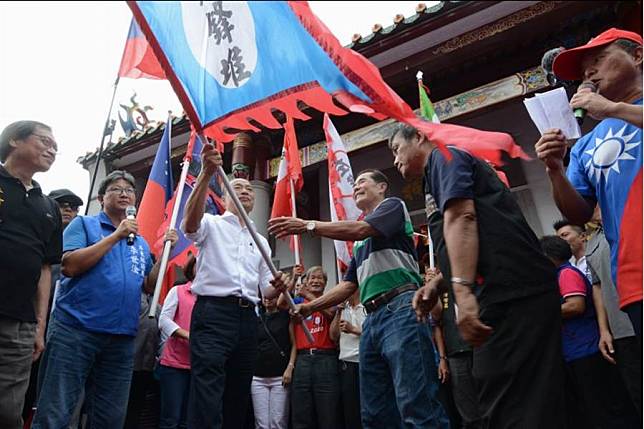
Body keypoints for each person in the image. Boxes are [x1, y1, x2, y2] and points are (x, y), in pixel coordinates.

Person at [388, 125, 564, 428]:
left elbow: (463, 217)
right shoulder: (437, 172)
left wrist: (463, 291)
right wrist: (438, 283)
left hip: (511, 292)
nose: (395, 160)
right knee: (523, 395)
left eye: (396, 149)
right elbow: (474, 233)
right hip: (509, 290)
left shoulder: (445, 157)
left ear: (418, 136)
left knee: (512, 398)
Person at [268, 169, 449, 428]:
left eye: (362, 181)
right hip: (373, 319)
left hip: (401, 309)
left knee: (417, 405)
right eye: (353, 184)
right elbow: (348, 285)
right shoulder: (362, 244)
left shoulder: (391, 207)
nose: (356, 187)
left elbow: (362, 229)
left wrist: (309, 225)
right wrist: (310, 307)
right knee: (375, 412)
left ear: (382, 186)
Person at [32, 170, 178, 428]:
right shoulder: (84, 224)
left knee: (110, 416)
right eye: (116, 189)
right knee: (57, 410)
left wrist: (165, 254)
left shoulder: (141, 243)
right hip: (76, 331)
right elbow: (70, 266)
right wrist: (115, 236)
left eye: (129, 190)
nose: (124, 193)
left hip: (121, 337)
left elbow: (147, 285)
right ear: (101, 198)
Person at [535, 28, 642, 334]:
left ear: (637, 56)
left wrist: (611, 109)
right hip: (633, 275)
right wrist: (554, 169)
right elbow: (579, 213)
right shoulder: (584, 145)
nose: (589, 71)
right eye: (584, 70)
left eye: (599, 59)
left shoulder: (619, 109)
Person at [181, 145, 288, 429]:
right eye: (236, 187)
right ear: (225, 196)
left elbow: (266, 290)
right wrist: (205, 174)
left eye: (249, 189)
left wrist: (279, 286)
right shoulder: (211, 224)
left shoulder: (260, 241)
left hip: (248, 319)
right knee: (208, 389)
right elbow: (189, 226)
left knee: (238, 394)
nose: (244, 191)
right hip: (213, 314)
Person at [0, 120, 62, 429]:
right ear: (14, 140)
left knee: (9, 412)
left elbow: (44, 269)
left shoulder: (47, 206)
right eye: (44, 141)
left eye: (56, 147)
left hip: (19, 326)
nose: (52, 149)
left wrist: (39, 327)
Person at [540, 236, 636, 429]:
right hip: (576, 351)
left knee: (603, 407)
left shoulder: (566, 273)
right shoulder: (558, 275)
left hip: (586, 349)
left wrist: (540, 313)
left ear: (548, 256)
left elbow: (575, 305)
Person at [584, 209, 642, 417]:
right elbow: (597, 288)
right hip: (621, 331)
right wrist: (604, 330)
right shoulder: (591, 243)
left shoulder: (631, 221)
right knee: (638, 392)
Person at [288, 266, 341, 429]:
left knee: (328, 412)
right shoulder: (298, 303)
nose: (316, 281)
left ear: (325, 283)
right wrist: (293, 277)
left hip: (326, 360)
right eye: (312, 278)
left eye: (320, 278)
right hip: (302, 360)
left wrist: (308, 295)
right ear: (306, 281)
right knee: (301, 412)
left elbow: (331, 314)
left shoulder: (331, 301)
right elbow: (283, 302)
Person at [158, 253, 198, 429]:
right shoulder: (179, 291)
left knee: (190, 421)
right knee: (171, 418)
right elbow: (164, 321)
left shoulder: (214, 298)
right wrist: (188, 335)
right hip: (175, 365)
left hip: (200, 366)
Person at [251, 291, 296, 429]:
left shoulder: (285, 317)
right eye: (265, 296)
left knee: (278, 422)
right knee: (261, 423)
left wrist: (290, 366)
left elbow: (294, 344)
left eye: (272, 296)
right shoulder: (256, 318)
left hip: (280, 377)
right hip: (257, 377)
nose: (268, 299)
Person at [330, 289, 365, 429]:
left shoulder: (367, 306)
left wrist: (353, 330)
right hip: (346, 364)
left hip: (364, 362)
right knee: (350, 409)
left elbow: (374, 332)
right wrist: (338, 312)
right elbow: (333, 336)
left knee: (366, 407)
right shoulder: (343, 309)